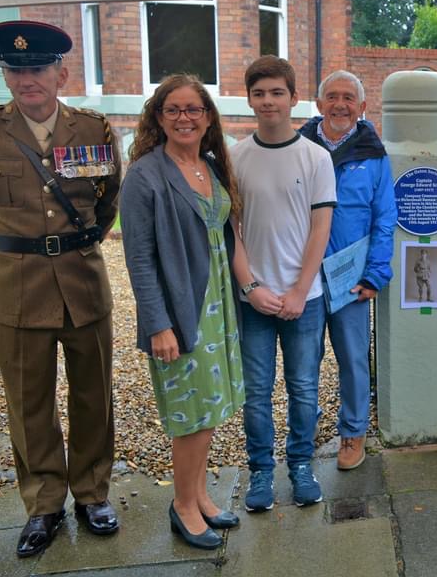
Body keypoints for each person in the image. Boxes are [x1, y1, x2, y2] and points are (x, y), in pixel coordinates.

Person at [0, 20, 122, 556]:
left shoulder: (92, 130)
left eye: (36, 69)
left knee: (93, 395)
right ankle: (43, 504)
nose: (25, 80)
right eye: (14, 70)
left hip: (83, 282)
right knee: (28, 401)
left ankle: (91, 493)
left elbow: (107, 201)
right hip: (19, 288)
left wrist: (72, 245)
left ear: (61, 72)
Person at [121, 74, 250, 550]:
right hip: (181, 309)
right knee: (189, 412)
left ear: (208, 116)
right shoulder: (145, 174)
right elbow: (138, 256)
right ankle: (181, 505)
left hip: (216, 304)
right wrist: (158, 323)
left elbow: (225, 234)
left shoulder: (212, 166)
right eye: (173, 110)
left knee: (209, 406)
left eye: (193, 109)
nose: (184, 118)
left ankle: (198, 495)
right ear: (158, 117)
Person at [231, 56, 336, 510]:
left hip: (304, 299)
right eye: (260, 93)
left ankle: (300, 463)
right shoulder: (233, 156)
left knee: (304, 388)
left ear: (294, 98)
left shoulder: (316, 157)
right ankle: (259, 471)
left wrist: (298, 290)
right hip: (252, 297)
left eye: (277, 92)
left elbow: (321, 229)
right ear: (249, 99)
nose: (268, 101)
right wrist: (251, 286)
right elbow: (229, 229)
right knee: (256, 391)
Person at [299, 69, 396, 471]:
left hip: (351, 278)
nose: (340, 105)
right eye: (332, 97)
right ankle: (301, 435)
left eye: (348, 98)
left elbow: (384, 217)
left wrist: (375, 274)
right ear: (319, 104)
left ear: (362, 106)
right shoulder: (297, 149)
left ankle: (353, 433)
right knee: (303, 363)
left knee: (354, 359)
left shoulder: (374, 155)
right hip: (302, 277)